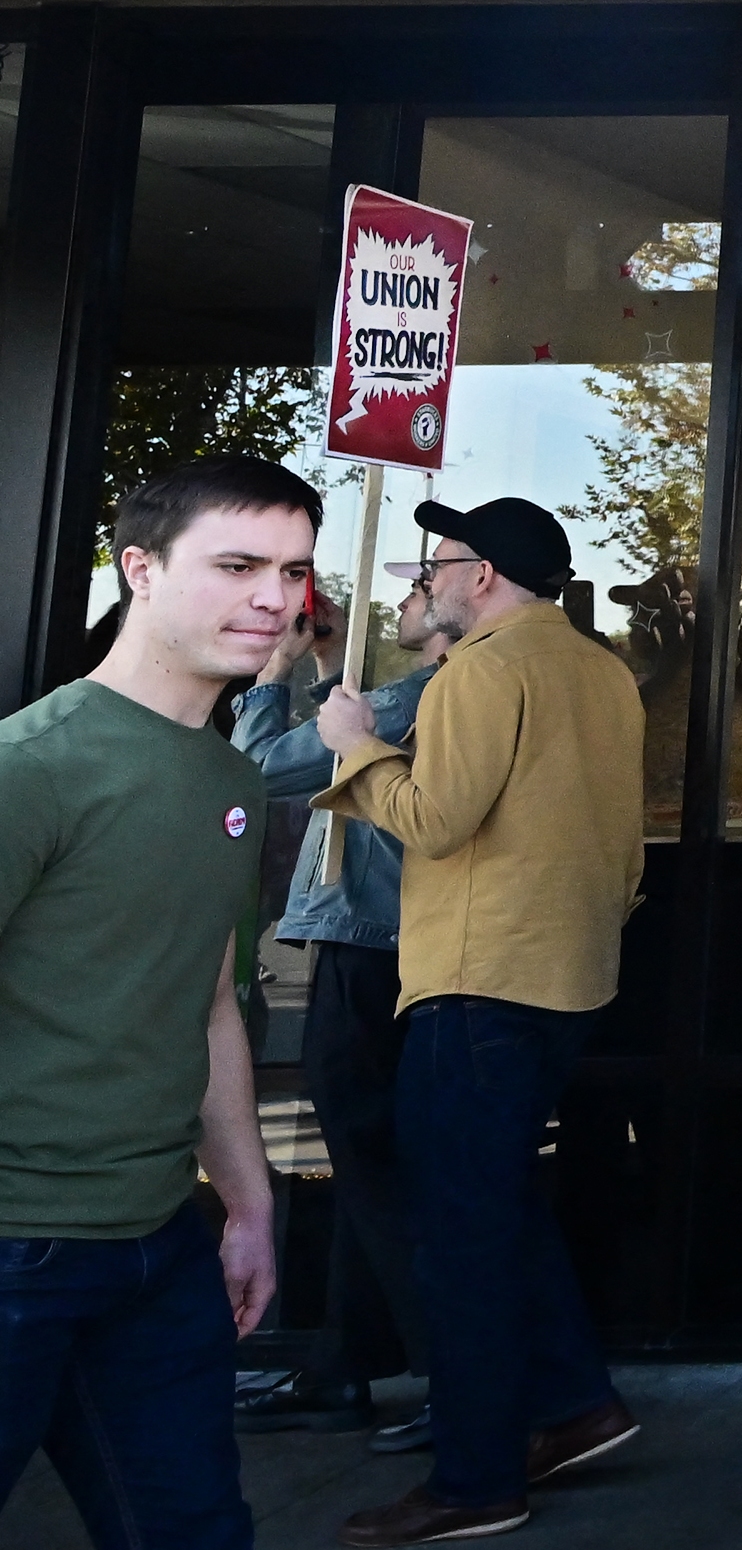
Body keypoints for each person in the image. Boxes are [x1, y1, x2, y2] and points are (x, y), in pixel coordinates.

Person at [315, 496, 648, 1548]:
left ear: (486, 576)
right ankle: (575, 1405)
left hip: (477, 982)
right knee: (497, 1205)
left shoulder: (482, 670)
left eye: (441, 559)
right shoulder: (600, 670)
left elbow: (433, 819)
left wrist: (354, 746)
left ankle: (473, 1476)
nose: (430, 574)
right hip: (568, 979)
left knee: (460, 1235)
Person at [0, 455, 308, 1550]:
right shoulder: (32, 766)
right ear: (139, 567)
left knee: (191, 1531)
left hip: (155, 1244)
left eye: (292, 570)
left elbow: (212, 999)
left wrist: (249, 1201)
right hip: (17, 1241)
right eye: (236, 565)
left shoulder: (231, 779)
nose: (274, 597)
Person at [232, 553, 475, 1451]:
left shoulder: (420, 698)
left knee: (374, 1167)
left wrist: (274, 674)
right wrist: (332, 672)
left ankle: (464, 1377)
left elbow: (255, 769)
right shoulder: (419, 696)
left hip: (369, 944)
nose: (407, 599)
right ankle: (342, 1364)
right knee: (363, 1161)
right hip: (384, 943)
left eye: (419, 589)